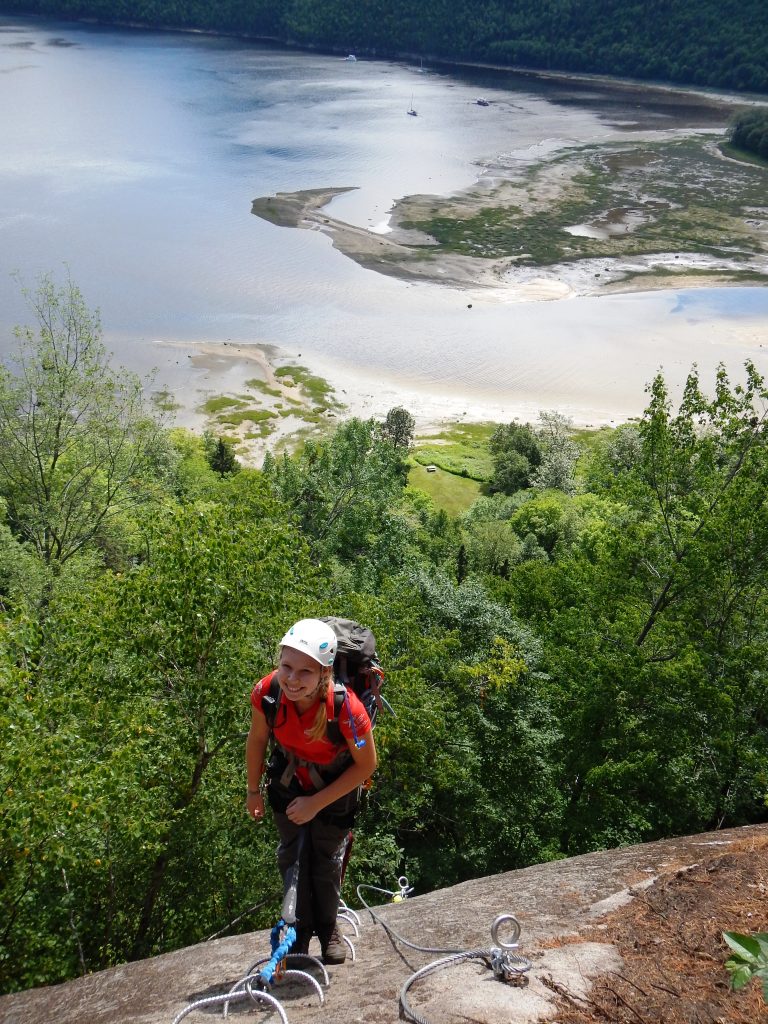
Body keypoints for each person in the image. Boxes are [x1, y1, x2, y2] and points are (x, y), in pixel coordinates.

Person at [246, 618, 377, 964]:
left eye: (305, 671)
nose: (291, 679)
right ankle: (299, 931)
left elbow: (366, 765)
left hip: (334, 791)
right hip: (288, 784)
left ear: (324, 673)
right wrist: (252, 791)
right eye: (286, 666)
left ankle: (328, 927)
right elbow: (258, 739)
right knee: (292, 857)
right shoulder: (268, 693)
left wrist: (316, 803)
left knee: (325, 859)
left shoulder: (348, 709)